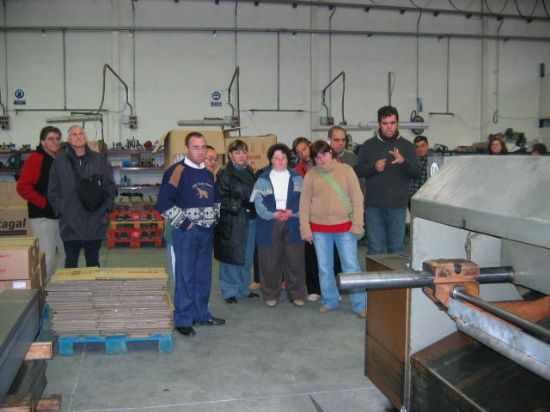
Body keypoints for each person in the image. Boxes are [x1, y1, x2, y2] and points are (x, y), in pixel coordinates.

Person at [156, 131, 225, 337]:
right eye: (196, 147)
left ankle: (201, 314)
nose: (201, 151)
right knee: (185, 276)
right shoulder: (176, 172)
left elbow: (216, 199)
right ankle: (183, 319)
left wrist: (214, 218)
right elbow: (163, 203)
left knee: (203, 275)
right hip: (186, 234)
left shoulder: (208, 173)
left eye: (203, 147)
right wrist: (185, 223)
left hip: (206, 232)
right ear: (187, 148)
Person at [299, 140, 366, 317]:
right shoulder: (311, 175)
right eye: (317, 157)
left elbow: (357, 198)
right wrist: (305, 228)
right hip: (319, 230)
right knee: (324, 268)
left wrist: (358, 223)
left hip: (345, 228)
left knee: (351, 266)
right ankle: (330, 300)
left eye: (324, 154)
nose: (321, 159)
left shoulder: (346, 171)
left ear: (331, 152)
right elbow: (304, 203)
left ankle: (360, 304)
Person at [355, 105, 420, 256]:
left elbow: (416, 173)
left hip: (398, 206)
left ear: (397, 123)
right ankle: (375, 279)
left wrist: (404, 161)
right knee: (375, 249)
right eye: (385, 123)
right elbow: (357, 170)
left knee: (396, 249)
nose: (389, 127)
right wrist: (373, 167)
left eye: (393, 123)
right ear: (379, 124)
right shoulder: (368, 145)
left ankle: (397, 281)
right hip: (373, 206)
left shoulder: (407, 147)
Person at [48, 125, 116, 268]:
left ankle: (92, 290)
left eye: (81, 134)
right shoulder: (59, 163)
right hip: (70, 224)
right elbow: (53, 192)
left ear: (85, 138)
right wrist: (62, 210)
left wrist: (106, 207)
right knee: (71, 263)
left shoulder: (99, 161)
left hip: (94, 221)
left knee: (93, 263)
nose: (78, 137)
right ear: (68, 139)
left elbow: (109, 186)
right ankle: (72, 291)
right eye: (74, 134)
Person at [253, 143, 306, 307]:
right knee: (269, 260)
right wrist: (273, 214)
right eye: (277, 158)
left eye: (283, 158)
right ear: (271, 160)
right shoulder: (262, 178)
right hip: (270, 223)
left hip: (293, 221)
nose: (281, 161)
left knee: (295, 259)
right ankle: (270, 294)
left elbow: (304, 200)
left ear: (288, 159)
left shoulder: (297, 177)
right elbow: (258, 203)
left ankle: (296, 294)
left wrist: (292, 212)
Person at [16, 126, 66, 282]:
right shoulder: (36, 159)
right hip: (43, 216)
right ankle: (43, 290)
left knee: (66, 253)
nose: (55, 142)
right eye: (51, 138)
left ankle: (58, 285)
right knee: (48, 255)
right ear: (42, 141)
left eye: (58, 138)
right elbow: (22, 187)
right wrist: (44, 203)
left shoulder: (56, 159)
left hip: (58, 215)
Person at [214, 140, 259, 304]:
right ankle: (229, 291)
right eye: (238, 153)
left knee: (246, 257)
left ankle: (243, 288)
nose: (242, 156)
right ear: (230, 155)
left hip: (250, 219)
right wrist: (240, 203)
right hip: (233, 220)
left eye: (244, 152)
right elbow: (220, 198)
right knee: (231, 257)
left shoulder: (249, 170)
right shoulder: (224, 173)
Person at [292, 137, 320, 302]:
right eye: (299, 152)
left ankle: (330, 287)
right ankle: (313, 288)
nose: (303, 153)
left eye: (304, 148)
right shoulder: (297, 172)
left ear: (311, 146)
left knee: (331, 254)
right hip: (309, 217)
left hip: (329, 217)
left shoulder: (326, 162)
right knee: (310, 255)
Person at [408, 135, 430, 207]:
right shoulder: (410, 161)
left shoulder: (433, 161)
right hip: (412, 200)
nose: (419, 149)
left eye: (422, 146)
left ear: (427, 146)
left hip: (427, 200)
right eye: (417, 147)